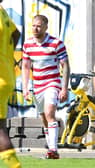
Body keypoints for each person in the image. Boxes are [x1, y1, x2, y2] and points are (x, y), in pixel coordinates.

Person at [22, 15, 70, 159]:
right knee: (44, 118)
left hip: (52, 83)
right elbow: (25, 66)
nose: (35, 29)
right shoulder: (28, 44)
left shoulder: (56, 43)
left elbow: (65, 66)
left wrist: (64, 88)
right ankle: (50, 149)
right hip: (37, 86)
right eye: (33, 26)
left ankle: (53, 150)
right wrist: (25, 88)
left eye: (38, 26)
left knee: (50, 114)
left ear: (45, 27)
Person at [0, 1, 21, 167]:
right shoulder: (3, 12)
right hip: (6, 74)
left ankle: (15, 166)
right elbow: (16, 34)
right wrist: (6, 56)